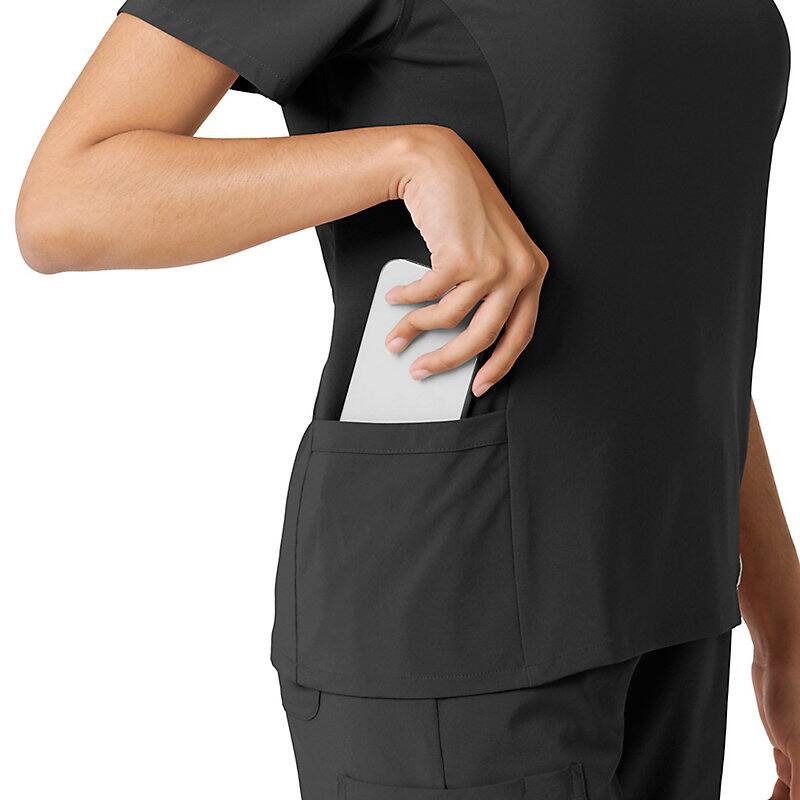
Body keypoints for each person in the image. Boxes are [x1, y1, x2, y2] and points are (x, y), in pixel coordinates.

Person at [15, 2, 797, 799]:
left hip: (678, 604)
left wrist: (784, 620)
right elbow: (65, 199)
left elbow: (682, 314)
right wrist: (406, 158)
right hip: (463, 608)